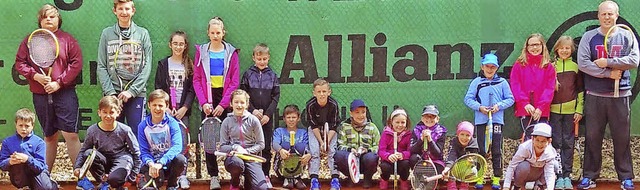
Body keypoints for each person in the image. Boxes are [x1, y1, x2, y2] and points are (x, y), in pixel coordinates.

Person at [576, 1, 638, 189]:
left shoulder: (627, 36)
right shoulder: (589, 37)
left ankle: (626, 177)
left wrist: (609, 61)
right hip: (595, 95)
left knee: (622, 139)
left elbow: (634, 60)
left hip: (620, 95)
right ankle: (589, 176)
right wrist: (607, 73)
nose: (607, 17)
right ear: (598, 16)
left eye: (610, 14)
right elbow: (583, 63)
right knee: (593, 137)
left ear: (617, 15)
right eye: (603, 14)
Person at [14, 3, 82, 172]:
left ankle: (82, 177)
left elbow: (76, 63)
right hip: (40, 94)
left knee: (70, 135)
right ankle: (44, 177)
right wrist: (34, 75)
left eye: (52, 16)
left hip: (65, 93)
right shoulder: (30, 40)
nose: (49, 20)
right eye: (45, 17)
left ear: (59, 19)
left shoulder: (67, 40)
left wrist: (59, 82)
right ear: (40, 21)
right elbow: (20, 63)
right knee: (49, 137)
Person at [192, 16, 240, 190]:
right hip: (208, 98)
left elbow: (234, 82)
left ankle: (235, 173)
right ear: (208, 33)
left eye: (218, 32)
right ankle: (214, 176)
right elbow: (197, 79)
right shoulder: (201, 51)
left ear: (223, 33)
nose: (215, 35)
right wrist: (204, 102)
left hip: (226, 98)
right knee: (210, 139)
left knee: (231, 137)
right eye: (212, 32)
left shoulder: (232, 53)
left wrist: (223, 104)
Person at [96, 0, 153, 135]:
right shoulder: (106, 34)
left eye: (127, 9)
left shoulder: (142, 33)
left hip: (136, 94)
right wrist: (111, 93)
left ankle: (136, 157)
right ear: (114, 11)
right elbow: (102, 65)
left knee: (137, 134)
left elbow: (147, 65)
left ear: (133, 11)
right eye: (120, 9)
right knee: (112, 135)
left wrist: (131, 91)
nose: (124, 12)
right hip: (113, 94)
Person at [463, 53, 515, 189]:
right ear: (482, 66)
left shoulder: (502, 82)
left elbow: (510, 99)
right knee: (481, 149)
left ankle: (497, 178)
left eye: (493, 67)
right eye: (487, 66)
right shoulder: (476, 82)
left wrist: (499, 106)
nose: (490, 69)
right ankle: (480, 176)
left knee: (497, 149)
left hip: (496, 121)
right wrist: (480, 108)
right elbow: (468, 99)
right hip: (481, 121)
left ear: (497, 68)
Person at [154, 30, 195, 189]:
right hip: (167, 112)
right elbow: (159, 87)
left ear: (185, 46)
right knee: (165, 143)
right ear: (170, 45)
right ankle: (165, 174)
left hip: (182, 113)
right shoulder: (163, 64)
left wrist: (184, 107)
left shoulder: (189, 64)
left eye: (181, 44)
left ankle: (182, 175)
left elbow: (192, 90)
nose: (178, 46)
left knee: (182, 144)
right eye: (175, 43)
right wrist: (166, 109)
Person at [74, 96, 141, 190]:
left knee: (114, 179)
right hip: (104, 161)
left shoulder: (125, 130)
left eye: (111, 112)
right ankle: (105, 183)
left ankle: (113, 184)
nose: (108, 116)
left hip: (121, 160)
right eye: (105, 112)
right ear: (99, 113)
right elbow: (83, 150)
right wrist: (77, 168)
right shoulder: (92, 130)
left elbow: (136, 153)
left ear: (118, 112)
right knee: (88, 153)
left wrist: (132, 178)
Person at [240, 43, 280, 182]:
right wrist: (253, 111)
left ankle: (265, 175)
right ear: (254, 58)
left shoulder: (273, 75)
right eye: (259, 58)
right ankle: (248, 176)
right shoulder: (247, 74)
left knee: (266, 147)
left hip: (266, 120)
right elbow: (243, 95)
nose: (261, 61)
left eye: (264, 58)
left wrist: (267, 114)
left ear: (268, 58)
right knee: (250, 146)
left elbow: (276, 97)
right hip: (251, 118)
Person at [549, 36, 584, 189]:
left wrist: (579, 109)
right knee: (556, 142)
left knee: (568, 143)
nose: (564, 50)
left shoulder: (576, 67)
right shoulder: (550, 67)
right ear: (557, 49)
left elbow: (580, 90)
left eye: (567, 48)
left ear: (572, 50)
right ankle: (557, 175)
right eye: (562, 48)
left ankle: (567, 176)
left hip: (571, 113)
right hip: (553, 112)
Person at [137, 89, 187, 190]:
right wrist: (151, 164)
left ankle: (172, 184)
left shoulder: (173, 123)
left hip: (168, 163)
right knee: (156, 185)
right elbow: (144, 151)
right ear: (149, 105)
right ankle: (146, 180)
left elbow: (177, 147)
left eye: (160, 105)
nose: (157, 108)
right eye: (154, 105)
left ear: (166, 106)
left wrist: (161, 162)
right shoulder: (142, 126)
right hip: (152, 164)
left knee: (181, 160)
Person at [510, 33, 556, 141]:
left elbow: (550, 88)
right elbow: (515, 85)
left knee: (541, 141)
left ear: (542, 46)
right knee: (528, 140)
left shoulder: (548, 66)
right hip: (526, 110)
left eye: (537, 44)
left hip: (541, 112)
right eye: (531, 45)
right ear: (527, 47)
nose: (534, 48)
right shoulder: (519, 65)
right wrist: (524, 103)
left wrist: (540, 107)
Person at [218, 89, 268, 190]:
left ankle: (248, 181)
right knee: (237, 164)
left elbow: (261, 144)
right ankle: (235, 182)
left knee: (261, 188)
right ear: (231, 104)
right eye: (236, 102)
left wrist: (246, 152)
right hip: (234, 158)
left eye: (242, 102)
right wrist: (235, 147)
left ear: (247, 104)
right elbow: (222, 146)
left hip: (251, 157)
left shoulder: (253, 120)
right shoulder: (226, 122)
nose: (239, 105)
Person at [0, 108, 58, 190]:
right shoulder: (7, 142)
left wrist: (27, 159)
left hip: (37, 174)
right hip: (19, 175)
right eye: (20, 125)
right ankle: (23, 187)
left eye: (27, 126)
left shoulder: (39, 143)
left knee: (45, 188)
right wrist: (10, 161)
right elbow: (2, 164)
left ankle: (50, 184)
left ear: (32, 126)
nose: (23, 129)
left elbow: (41, 166)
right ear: (15, 125)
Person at [305, 78, 341, 190]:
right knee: (314, 152)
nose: (322, 94)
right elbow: (313, 125)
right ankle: (314, 180)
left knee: (332, 151)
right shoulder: (310, 105)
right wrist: (321, 142)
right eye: (319, 92)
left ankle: (335, 180)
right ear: (314, 93)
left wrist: (326, 142)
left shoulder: (333, 104)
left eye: (324, 91)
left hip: (330, 130)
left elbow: (334, 125)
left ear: (329, 92)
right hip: (315, 130)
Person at [335, 99, 380, 188]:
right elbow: (340, 145)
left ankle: (367, 178)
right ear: (351, 113)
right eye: (357, 112)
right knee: (338, 155)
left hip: (365, 161)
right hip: (350, 160)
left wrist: (367, 150)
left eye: (363, 112)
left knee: (371, 157)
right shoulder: (344, 127)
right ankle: (350, 177)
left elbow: (378, 146)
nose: (360, 115)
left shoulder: (372, 127)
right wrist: (350, 150)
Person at [502, 123, 557, 190]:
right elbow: (512, 166)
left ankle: (539, 185)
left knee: (555, 165)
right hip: (525, 173)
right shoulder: (524, 148)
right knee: (524, 166)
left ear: (549, 141)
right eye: (537, 140)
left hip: (539, 174)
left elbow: (550, 173)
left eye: (543, 141)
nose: (539, 144)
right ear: (532, 139)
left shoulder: (550, 152)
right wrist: (506, 186)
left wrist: (550, 188)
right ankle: (518, 186)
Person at [272, 105, 311, 190]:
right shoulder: (279, 131)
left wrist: (309, 154)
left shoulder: (303, 132)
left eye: (294, 117)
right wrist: (280, 150)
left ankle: (297, 178)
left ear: (298, 118)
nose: (291, 120)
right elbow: (274, 143)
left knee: (301, 146)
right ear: (284, 119)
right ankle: (287, 177)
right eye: (288, 117)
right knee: (286, 145)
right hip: (282, 165)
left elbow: (307, 146)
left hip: (298, 165)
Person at [409, 105, 447, 184]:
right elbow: (412, 150)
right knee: (413, 158)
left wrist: (430, 140)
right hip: (421, 161)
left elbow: (438, 153)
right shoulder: (416, 130)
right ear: (422, 118)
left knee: (439, 172)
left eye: (432, 116)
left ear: (437, 119)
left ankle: (432, 183)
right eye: (426, 116)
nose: (429, 119)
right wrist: (421, 139)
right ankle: (419, 181)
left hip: (435, 161)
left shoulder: (441, 132)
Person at [378, 108, 412, 190]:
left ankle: (404, 180)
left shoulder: (409, 134)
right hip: (389, 161)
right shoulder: (386, 133)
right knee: (384, 166)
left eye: (403, 122)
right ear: (391, 122)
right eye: (397, 122)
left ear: (406, 123)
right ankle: (384, 180)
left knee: (406, 164)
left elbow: (411, 151)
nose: (400, 125)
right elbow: (381, 151)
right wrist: (388, 156)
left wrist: (403, 155)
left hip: (401, 161)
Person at [443, 121, 479, 190]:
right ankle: (451, 186)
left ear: (471, 136)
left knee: (473, 170)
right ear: (458, 134)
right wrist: (447, 168)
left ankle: (464, 186)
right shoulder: (454, 142)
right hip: (455, 167)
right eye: (462, 134)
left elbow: (476, 160)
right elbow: (451, 155)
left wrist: (472, 162)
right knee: (449, 166)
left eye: (467, 135)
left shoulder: (474, 144)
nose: (464, 137)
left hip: (467, 168)